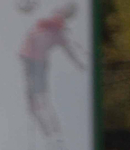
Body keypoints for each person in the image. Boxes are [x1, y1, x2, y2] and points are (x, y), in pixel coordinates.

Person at [19, 4, 84, 139]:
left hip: (37, 64)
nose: (58, 12)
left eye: (63, 11)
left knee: (40, 99)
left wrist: (78, 63)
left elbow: (68, 49)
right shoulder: (48, 25)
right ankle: (50, 132)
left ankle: (54, 132)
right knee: (32, 102)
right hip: (28, 61)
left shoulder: (57, 31)